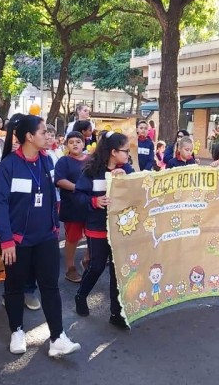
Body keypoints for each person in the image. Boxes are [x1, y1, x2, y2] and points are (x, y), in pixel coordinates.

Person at [0, 113, 81, 357]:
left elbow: (53, 194)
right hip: (17, 242)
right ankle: (17, 331)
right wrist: (7, 240)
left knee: (50, 286)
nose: (48, 136)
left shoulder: (47, 161)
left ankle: (58, 337)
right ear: (29, 137)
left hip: (46, 238)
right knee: (14, 287)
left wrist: (55, 227)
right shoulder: (8, 165)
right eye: (43, 132)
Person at [73, 131, 133, 330]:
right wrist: (94, 201)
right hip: (97, 226)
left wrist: (127, 180)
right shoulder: (91, 171)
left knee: (118, 271)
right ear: (114, 152)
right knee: (97, 266)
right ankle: (81, 295)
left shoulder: (128, 169)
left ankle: (117, 313)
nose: (128, 155)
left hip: (121, 228)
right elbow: (78, 197)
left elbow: (139, 192)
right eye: (125, 151)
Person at [55, 131, 89, 282]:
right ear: (67, 145)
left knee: (92, 235)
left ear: (84, 143)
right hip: (72, 206)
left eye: (78, 141)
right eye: (71, 142)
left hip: (91, 206)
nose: (75, 144)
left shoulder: (91, 160)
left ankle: (87, 260)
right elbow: (59, 180)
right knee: (73, 238)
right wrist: (78, 187)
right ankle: (70, 268)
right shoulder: (64, 161)